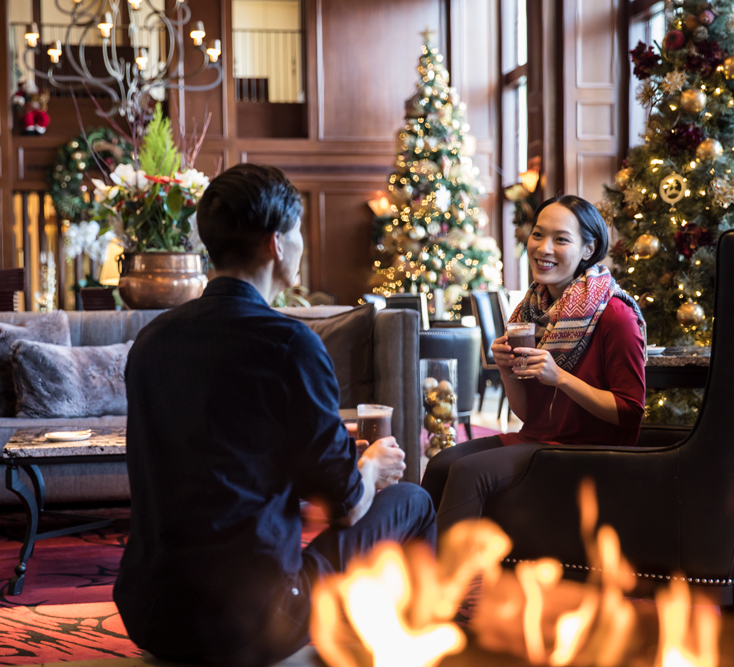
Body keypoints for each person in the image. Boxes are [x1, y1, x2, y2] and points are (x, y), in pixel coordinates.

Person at [114, 163, 436, 667]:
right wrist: (370, 466)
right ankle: (407, 645)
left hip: (150, 614)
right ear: (276, 244)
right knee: (414, 501)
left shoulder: (151, 341)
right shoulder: (290, 344)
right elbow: (347, 507)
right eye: (299, 230)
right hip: (250, 622)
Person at [421, 194, 646, 535]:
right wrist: (506, 369)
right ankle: (415, 568)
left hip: (588, 451)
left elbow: (630, 412)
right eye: (538, 235)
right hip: (538, 439)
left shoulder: (615, 314)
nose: (544, 248)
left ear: (588, 249)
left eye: (561, 239)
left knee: (469, 472)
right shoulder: (529, 313)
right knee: (441, 464)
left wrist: (560, 377)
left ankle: (449, 581)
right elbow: (529, 415)